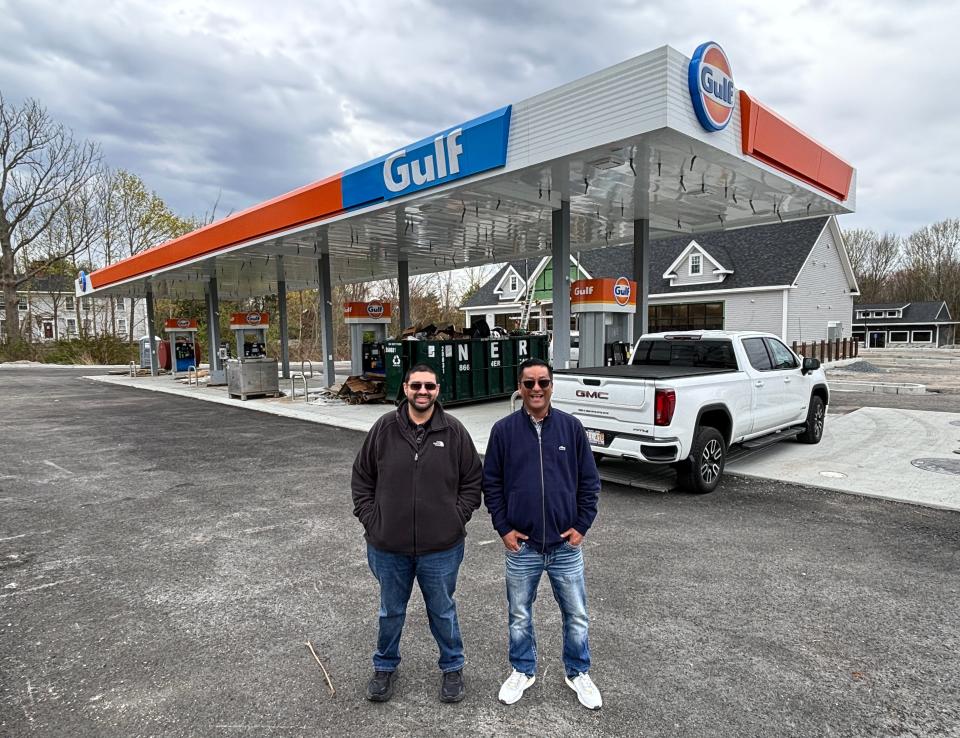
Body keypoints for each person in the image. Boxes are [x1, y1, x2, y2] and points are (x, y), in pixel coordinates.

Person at [352, 363, 482, 704]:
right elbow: (362, 478)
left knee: (442, 610)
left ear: (438, 390)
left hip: (441, 547)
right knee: (390, 610)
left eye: (429, 387)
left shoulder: (454, 432)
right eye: (416, 386)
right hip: (387, 545)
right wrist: (371, 518)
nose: (422, 392)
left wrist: (457, 517)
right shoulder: (383, 428)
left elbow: (472, 481)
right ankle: (384, 666)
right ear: (405, 389)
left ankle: (452, 667)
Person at [482, 357, 602, 710]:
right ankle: (523, 670)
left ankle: (578, 672)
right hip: (524, 547)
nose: (536, 389)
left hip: (566, 547)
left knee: (576, 614)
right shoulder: (503, 431)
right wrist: (503, 528)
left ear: (552, 386)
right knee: (520, 614)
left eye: (543, 382)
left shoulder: (571, 428)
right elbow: (492, 484)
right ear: (519, 388)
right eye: (529, 383)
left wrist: (581, 526)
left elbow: (589, 484)